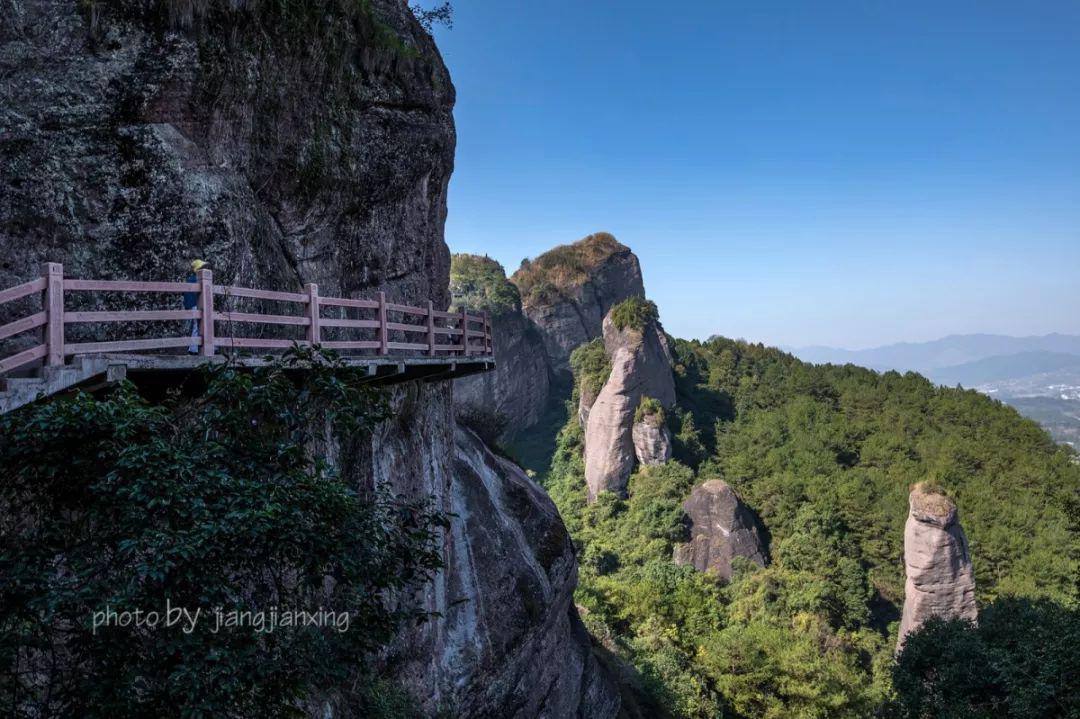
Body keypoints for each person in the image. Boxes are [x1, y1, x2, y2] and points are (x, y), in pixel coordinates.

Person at [185, 259, 207, 354]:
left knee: (197, 325)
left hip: (192, 305)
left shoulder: (189, 279)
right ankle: (193, 349)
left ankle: (195, 347)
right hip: (196, 305)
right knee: (197, 326)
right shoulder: (196, 279)